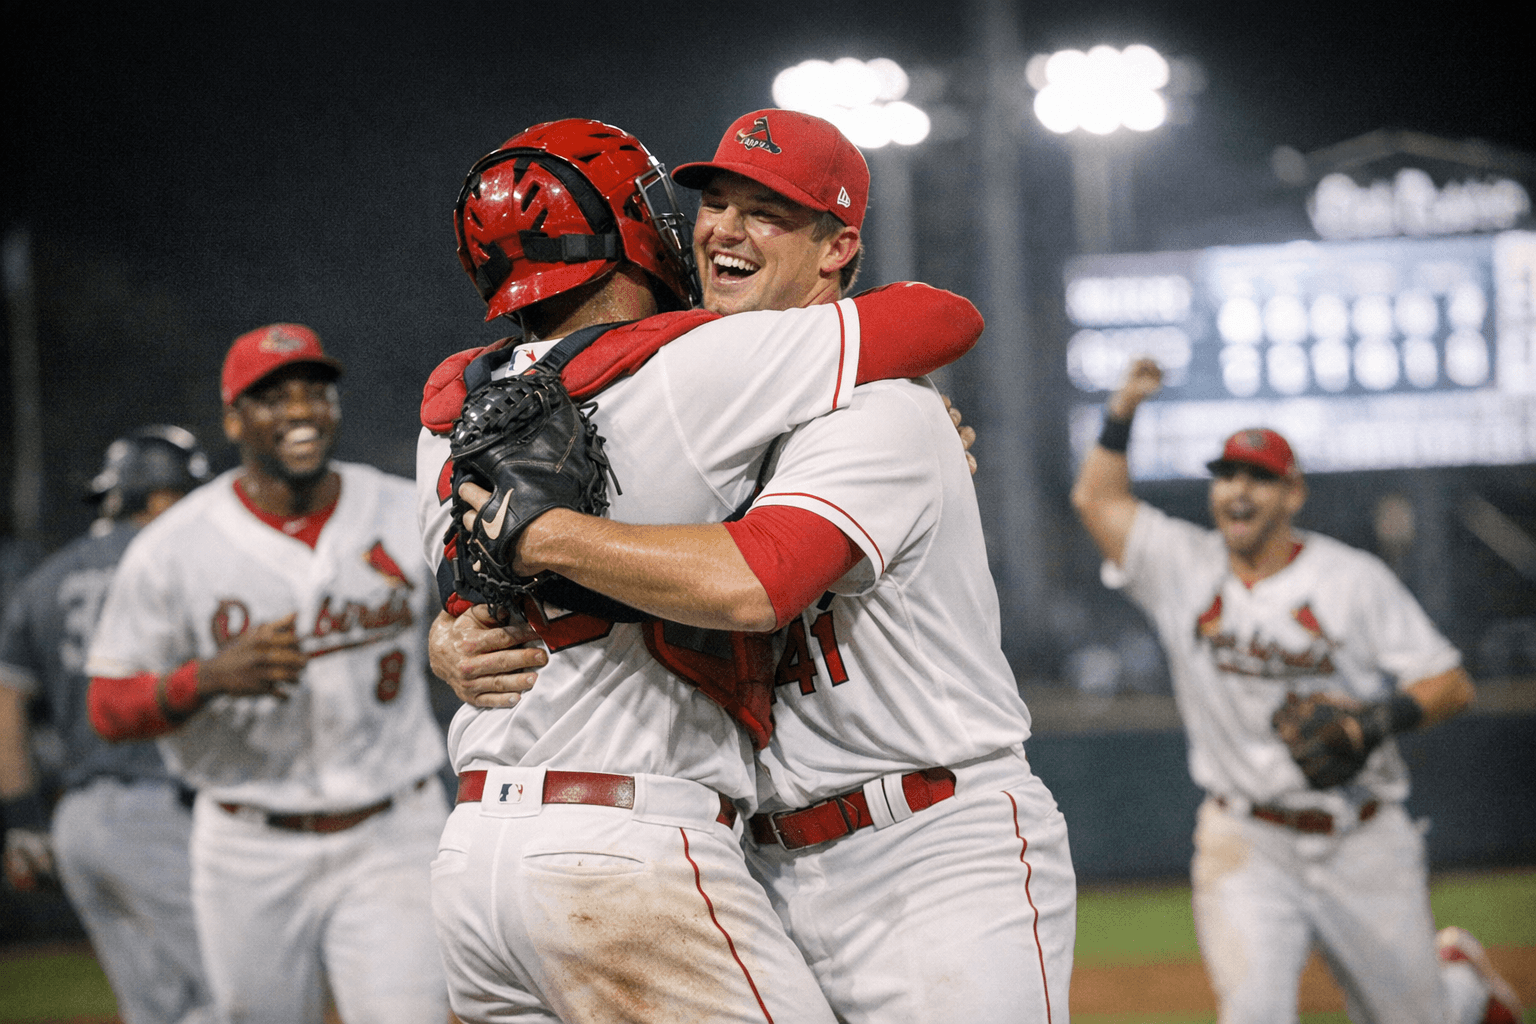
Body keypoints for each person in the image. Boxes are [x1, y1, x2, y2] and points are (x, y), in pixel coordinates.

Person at [442, 109, 1077, 1023]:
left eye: (766, 213)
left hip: (929, 845)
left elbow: (757, 581)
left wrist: (538, 535)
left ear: (837, 248)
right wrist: (455, 628)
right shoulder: (699, 417)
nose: (723, 230)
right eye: (715, 204)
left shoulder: (882, 406)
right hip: (762, 860)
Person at [1069, 357, 1523, 1024]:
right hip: (1246, 839)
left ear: (1293, 493)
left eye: (1258, 477)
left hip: (1360, 833)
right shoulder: (1181, 565)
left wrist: (1373, 722)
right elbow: (1097, 500)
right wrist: (1122, 411)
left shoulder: (1351, 579)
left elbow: (1452, 685)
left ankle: (1464, 989)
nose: (1238, 490)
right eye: (1226, 476)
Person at [85, 324, 452, 1024]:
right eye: (272, 396)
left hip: (393, 829)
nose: (300, 410)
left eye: (315, 391)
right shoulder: (174, 547)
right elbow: (107, 707)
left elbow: (478, 619)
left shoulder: (402, 508)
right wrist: (206, 679)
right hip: (247, 844)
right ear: (232, 419)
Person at [1, 427, 215, 1024]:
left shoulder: (43, 581)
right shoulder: (175, 565)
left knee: (157, 1011)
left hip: (78, 823)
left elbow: (5, 706)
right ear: (159, 500)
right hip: (159, 811)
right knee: (242, 991)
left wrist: (21, 822)